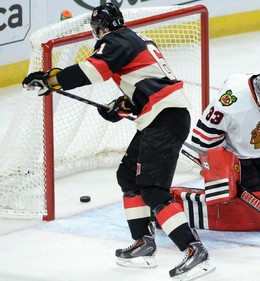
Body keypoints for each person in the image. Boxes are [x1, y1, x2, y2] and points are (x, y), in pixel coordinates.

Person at [22, 3, 214, 280]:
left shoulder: (116, 41)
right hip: (161, 116)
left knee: (153, 190)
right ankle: (143, 243)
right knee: (129, 177)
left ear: (99, 28)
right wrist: (120, 105)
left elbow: (92, 71)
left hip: (164, 118)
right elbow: (149, 83)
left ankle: (194, 250)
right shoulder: (134, 41)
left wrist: (51, 81)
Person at [191, 70, 260, 211]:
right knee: (249, 203)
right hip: (236, 158)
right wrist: (218, 168)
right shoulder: (231, 100)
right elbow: (205, 136)